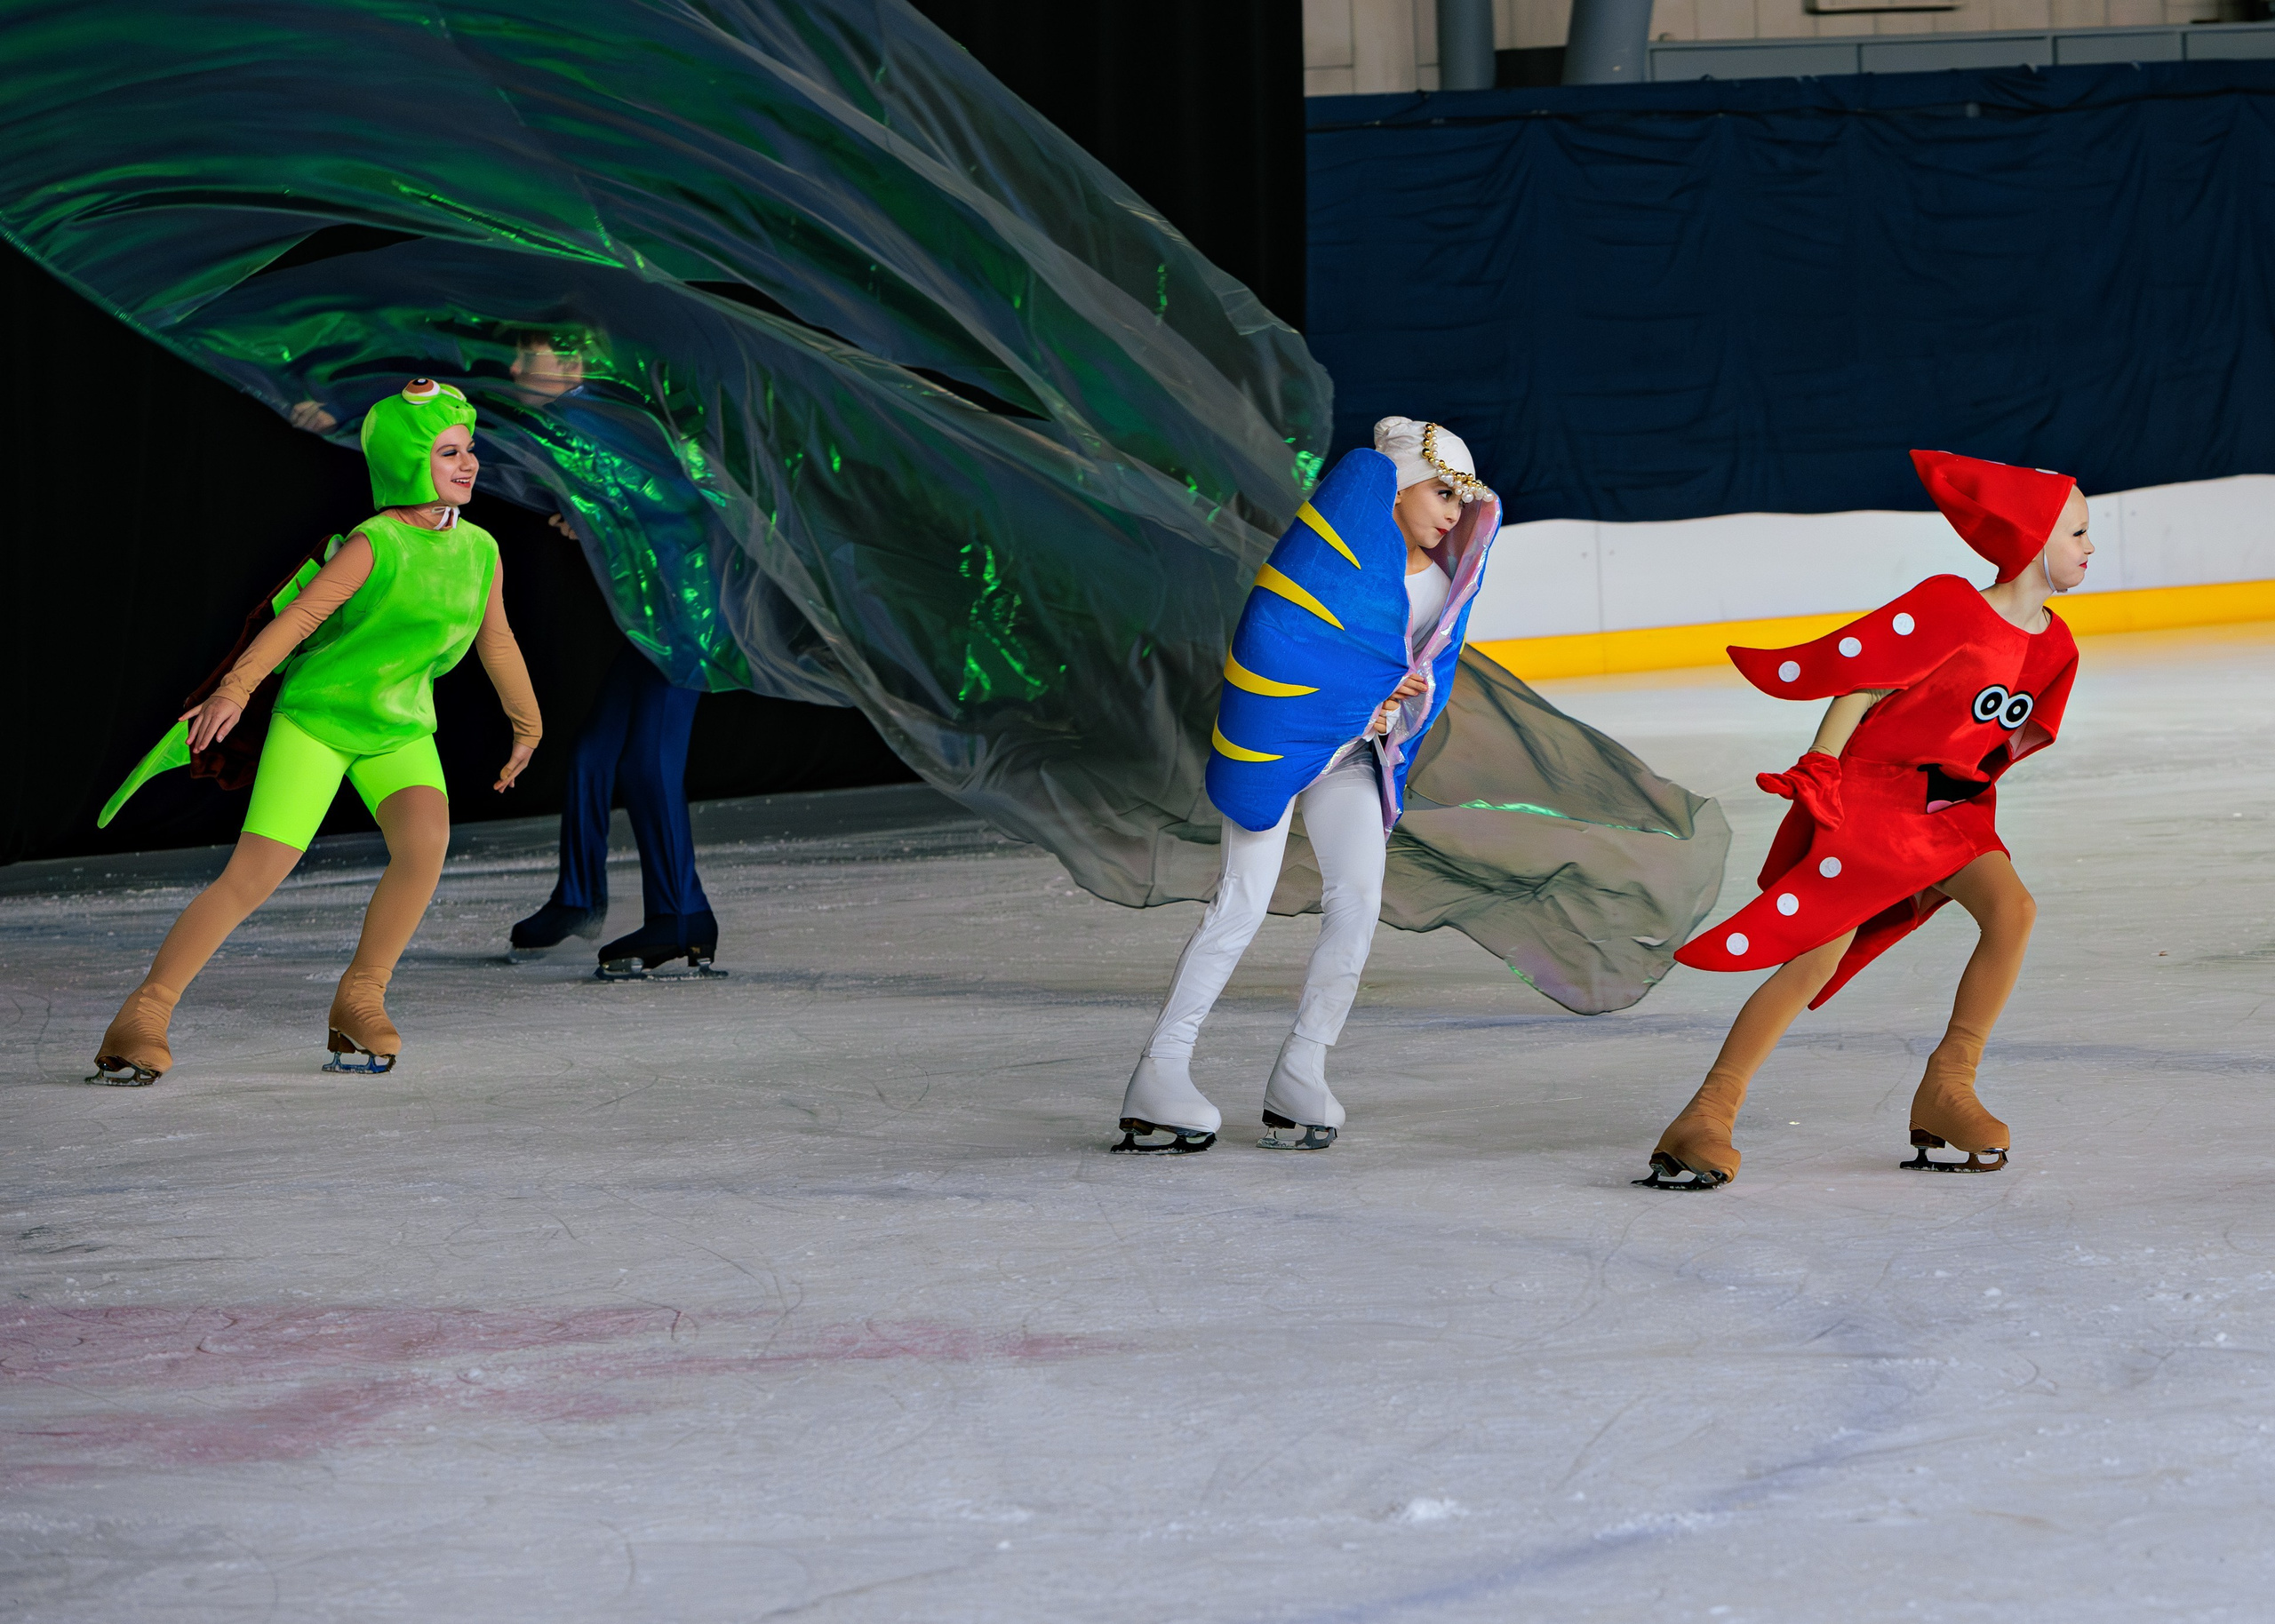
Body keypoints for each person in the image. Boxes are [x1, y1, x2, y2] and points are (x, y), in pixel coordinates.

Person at [1637, 450, 2091, 1189]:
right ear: (2031, 541)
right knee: (1817, 951)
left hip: (1949, 809)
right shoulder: (1951, 605)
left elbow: (2007, 737)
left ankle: (1949, 1086)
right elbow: (1863, 679)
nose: (2090, 548)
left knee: (2012, 911)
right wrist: (1822, 763)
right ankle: (1706, 1113)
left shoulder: (2057, 644)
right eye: (2076, 533)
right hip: (1873, 797)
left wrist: (1967, 788)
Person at [88, 379, 541, 1083]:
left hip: (398, 728)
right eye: (448, 452)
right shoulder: (373, 543)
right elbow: (295, 619)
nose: (469, 462)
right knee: (253, 876)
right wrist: (235, 690)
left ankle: (361, 999)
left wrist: (527, 725)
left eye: (470, 450)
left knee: (424, 848)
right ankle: (144, 1012)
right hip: (319, 722)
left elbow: (498, 641)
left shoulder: (480, 550)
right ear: (405, 463)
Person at [1114, 418, 1501, 1153]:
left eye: (1463, 500)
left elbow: (1420, 682)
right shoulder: (1325, 558)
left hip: (1350, 759)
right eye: (1441, 491)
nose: (1454, 511)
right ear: (1394, 485)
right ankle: (1160, 1071)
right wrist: (1361, 694)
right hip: (1280, 749)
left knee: (1357, 903)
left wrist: (1398, 704)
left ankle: (1302, 1068)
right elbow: (1276, 634)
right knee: (1241, 904)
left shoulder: (1443, 586)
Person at [491, 329, 721, 977]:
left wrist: (596, 516)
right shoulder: (578, 418)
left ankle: (682, 916)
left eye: (525, 355)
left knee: (648, 763)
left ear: (573, 363)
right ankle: (579, 896)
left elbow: (684, 497)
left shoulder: (600, 416)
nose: (511, 366)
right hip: (662, 612)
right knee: (594, 755)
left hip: (689, 612)